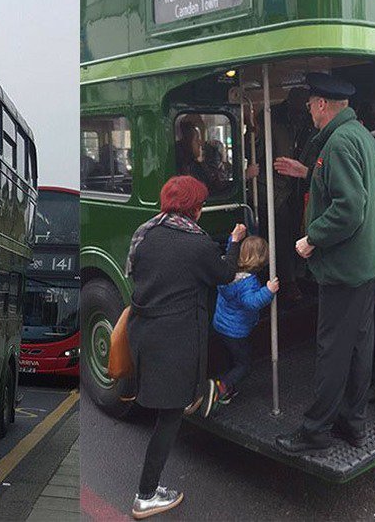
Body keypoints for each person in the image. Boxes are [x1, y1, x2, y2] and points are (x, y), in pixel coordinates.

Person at [274, 73, 375, 454]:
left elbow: (349, 209)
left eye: (310, 104)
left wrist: (311, 238)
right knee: (358, 347)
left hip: (342, 268)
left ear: (322, 104)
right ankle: (353, 424)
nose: (308, 110)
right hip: (364, 266)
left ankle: (315, 431)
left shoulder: (337, 143)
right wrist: (307, 174)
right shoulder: (360, 135)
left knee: (332, 351)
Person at [125, 175, 245, 519]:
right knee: (169, 418)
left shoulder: (145, 233)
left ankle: (151, 487)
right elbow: (224, 274)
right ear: (194, 209)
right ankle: (146, 495)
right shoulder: (197, 244)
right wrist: (235, 242)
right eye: (201, 204)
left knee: (168, 408)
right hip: (174, 342)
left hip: (144, 334)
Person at [203, 236, 279, 417]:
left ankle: (228, 391)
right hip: (236, 331)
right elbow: (251, 302)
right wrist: (268, 291)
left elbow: (231, 250)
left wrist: (233, 240)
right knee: (244, 365)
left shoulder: (226, 271)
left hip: (221, 325)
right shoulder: (248, 282)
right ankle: (221, 386)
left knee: (232, 359)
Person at [252, 87, 315, 303]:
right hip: (273, 188)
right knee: (282, 234)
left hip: (297, 187)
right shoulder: (271, 118)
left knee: (298, 231)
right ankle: (288, 282)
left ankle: (299, 275)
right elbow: (257, 151)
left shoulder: (308, 124)